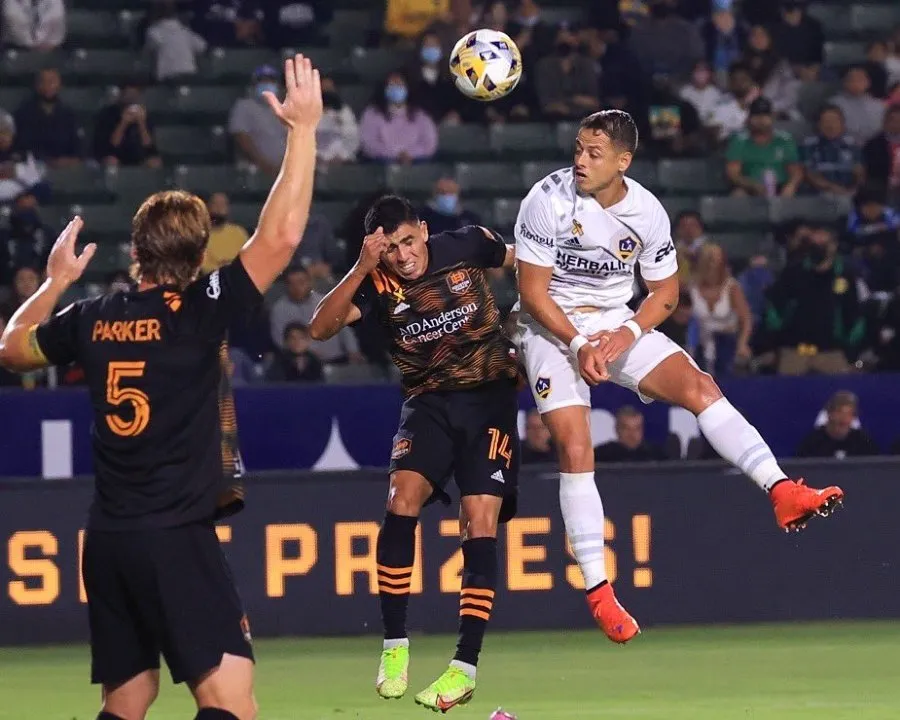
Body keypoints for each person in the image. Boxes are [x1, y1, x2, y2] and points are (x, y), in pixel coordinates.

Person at [0, 54, 322, 720]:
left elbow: (10, 349)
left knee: (129, 699)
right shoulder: (204, 311)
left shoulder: (91, 318)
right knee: (231, 701)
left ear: (135, 254)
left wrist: (56, 280)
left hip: (109, 540)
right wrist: (303, 131)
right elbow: (283, 234)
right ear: (201, 256)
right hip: (175, 537)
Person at [512, 109, 845, 646]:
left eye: (593, 154)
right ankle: (600, 592)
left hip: (614, 324)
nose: (579, 160)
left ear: (623, 161)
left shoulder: (645, 211)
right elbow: (532, 293)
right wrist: (577, 343)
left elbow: (665, 294)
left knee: (701, 388)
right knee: (576, 447)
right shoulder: (547, 199)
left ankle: (782, 491)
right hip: (551, 329)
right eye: (578, 148)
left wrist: (627, 333)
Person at [309, 196, 519, 712]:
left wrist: (528, 323)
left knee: (479, 520)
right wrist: (362, 266)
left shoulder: (468, 245)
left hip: (489, 396)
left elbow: (527, 262)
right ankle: (395, 645)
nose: (402, 256)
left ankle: (464, 668)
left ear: (423, 230)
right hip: (427, 403)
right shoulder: (376, 282)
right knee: (401, 501)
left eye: (407, 241)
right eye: (390, 249)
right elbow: (319, 328)